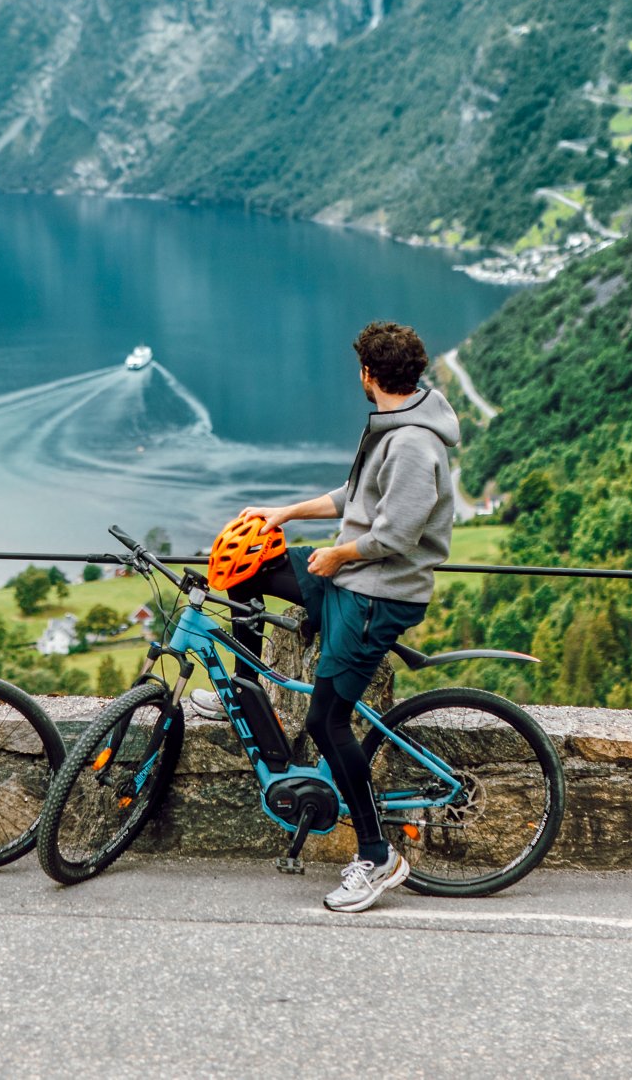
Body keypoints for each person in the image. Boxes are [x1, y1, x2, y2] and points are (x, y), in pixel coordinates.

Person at [191, 320, 461, 913]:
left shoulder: (414, 444)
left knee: (327, 723)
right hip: (351, 577)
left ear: (369, 374)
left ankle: (375, 855)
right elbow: (355, 497)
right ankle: (246, 683)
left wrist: (337, 553)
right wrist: (286, 512)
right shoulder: (395, 423)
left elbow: (396, 532)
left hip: (377, 595)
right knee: (250, 567)